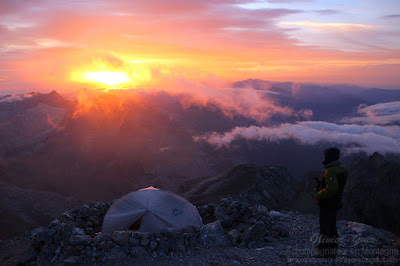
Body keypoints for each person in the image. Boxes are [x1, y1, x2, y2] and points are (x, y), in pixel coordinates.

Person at [314, 147, 347, 259]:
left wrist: (319, 194)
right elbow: (337, 187)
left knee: (324, 227)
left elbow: (331, 189)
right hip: (336, 202)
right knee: (332, 225)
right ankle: (332, 249)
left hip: (327, 203)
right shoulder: (341, 168)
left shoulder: (331, 171)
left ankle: (323, 251)